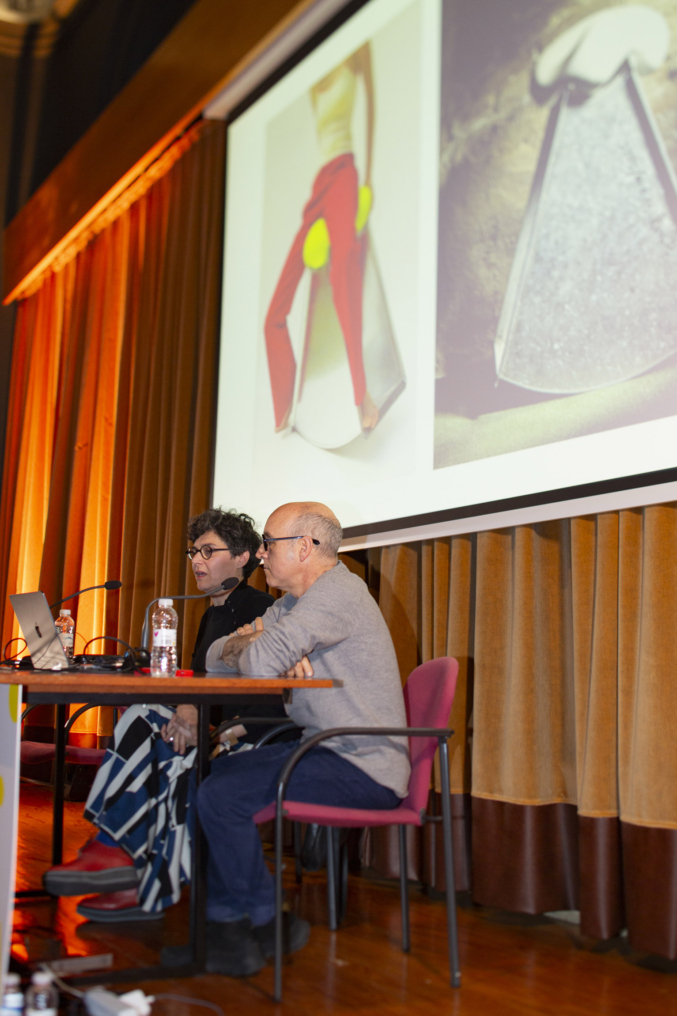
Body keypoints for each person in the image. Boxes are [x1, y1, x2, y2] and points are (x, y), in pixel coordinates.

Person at [160, 501, 410, 978]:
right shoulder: (291, 604)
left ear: (304, 547)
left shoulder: (337, 593)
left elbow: (257, 663)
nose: (260, 553)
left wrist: (260, 647)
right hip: (323, 748)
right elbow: (216, 656)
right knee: (210, 777)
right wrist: (254, 644)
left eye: (268, 544)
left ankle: (265, 922)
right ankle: (232, 932)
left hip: (361, 762)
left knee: (223, 794)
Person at [42, 509, 287, 922]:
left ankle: (125, 864)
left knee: (153, 736)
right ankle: (126, 865)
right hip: (211, 727)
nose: (197, 561)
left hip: (246, 736)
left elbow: (273, 695)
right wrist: (186, 711)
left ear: (242, 557)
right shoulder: (210, 613)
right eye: (194, 551)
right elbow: (200, 682)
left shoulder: (261, 609)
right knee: (145, 718)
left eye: (209, 551)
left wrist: (217, 728)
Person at [264, 44, 380, 434]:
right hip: (322, 183)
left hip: (345, 174)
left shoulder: (357, 50)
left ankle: (363, 395)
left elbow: (372, 108)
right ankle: (284, 412)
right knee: (273, 314)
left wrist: (368, 181)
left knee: (343, 276)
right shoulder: (311, 76)